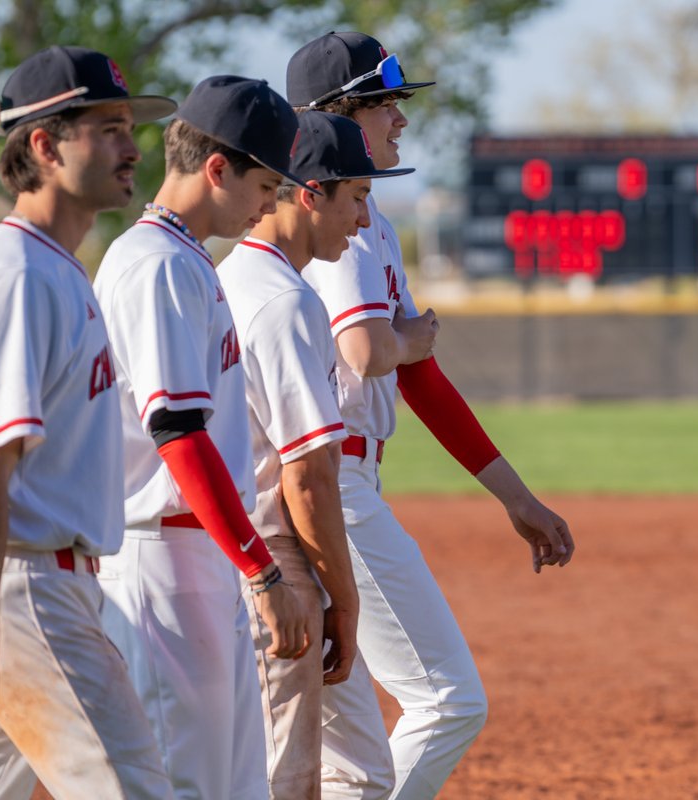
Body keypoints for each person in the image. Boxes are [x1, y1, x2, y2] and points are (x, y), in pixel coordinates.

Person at [287, 32, 577, 799]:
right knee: (447, 701)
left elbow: (424, 381)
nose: (401, 121)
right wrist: (405, 337)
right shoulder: (337, 229)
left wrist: (517, 497)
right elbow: (367, 351)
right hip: (330, 483)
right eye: (386, 104)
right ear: (339, 114)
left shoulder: (366, 218)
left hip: (340, 480)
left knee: (325, 741)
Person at [0, 45, 177, 799]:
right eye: (109, 128)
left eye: (131, 127)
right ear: (43, 144)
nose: (134, 148)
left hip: (30, 589)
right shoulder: (20, 280)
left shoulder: (56, 269)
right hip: (22, 591)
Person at [93, 76, 312, 800]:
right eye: (265, 182)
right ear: (217, 168)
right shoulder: (155, 265)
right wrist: (263, 571)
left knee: (235, 783)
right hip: (161, 562)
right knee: (183, 782)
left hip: (202, 554)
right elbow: (178, 435)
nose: (272, 203)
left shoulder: (185, 258)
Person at [218, 110, 413, 798]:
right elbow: (307, 480)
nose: (364, 221)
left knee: (355, 770)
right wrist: (344, 601)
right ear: (310, 193)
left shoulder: (225, 278)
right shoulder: (284, 301)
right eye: (356, 197)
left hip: (235, 557)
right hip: (276, 562)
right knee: (284, 780)